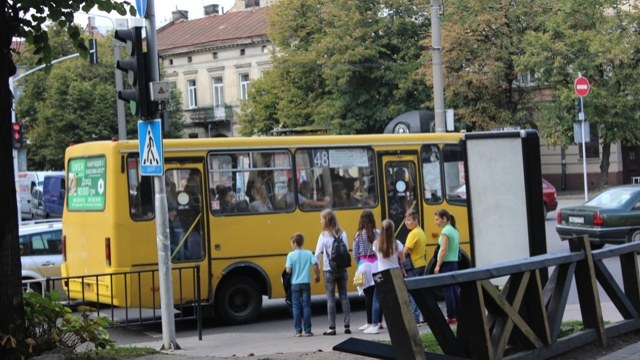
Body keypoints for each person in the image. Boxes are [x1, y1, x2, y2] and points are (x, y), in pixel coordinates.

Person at [314, 209, 351, 335]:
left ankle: (332, 327)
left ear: (326, 220)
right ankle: (347, 326)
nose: (320, 221)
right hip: (342, 269)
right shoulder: (343, 233)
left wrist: (317, 271)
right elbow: (345, 251)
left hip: (329, 270)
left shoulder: (323, 235)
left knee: (331, 299)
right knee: (344, 297)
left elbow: (317, 254)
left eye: (321, 219)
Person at [366, 219, 405, 334]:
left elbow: (378, 257)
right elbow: (402, 258)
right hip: (395, 273)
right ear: (392, 229)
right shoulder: (397, 243)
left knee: (377, 299)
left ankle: (374, 325)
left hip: (381, 273)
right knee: (396, 299)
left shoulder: (376, 244)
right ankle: (398, 323)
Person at [286, 233, 321, 337]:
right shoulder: (308, 253)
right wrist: (317, 275)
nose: (291, 245)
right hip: (306, 283)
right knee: (306, 307)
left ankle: (298, 331)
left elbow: (288, 270)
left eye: (291, 243)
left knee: (296, 307)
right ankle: (308, 330)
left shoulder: (291, 255)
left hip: (295, 284)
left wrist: (289, 270)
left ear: (295, 243)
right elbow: (315, 265)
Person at [352, 210, 379, 332]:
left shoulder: (358, 235)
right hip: (377, 265)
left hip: (364, 265)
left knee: (368, 295)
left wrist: (360, 263)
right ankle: (377, 321)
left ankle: (369, 322)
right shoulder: (377, 233)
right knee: (378, 295)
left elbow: (355, 253)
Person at [434, 209, 460, 325]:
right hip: (454, 263)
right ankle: (457, 315)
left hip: (446, 264)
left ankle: (451, 317)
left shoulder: (445, 231)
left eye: (437, 219)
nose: (436, 222)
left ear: (444, 219)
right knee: (454, 290)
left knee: (448, 291)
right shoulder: (455, 230)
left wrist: (438, 265)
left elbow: (443, 249)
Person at [403, 208, 427, 325]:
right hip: (421, 264)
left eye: (409, 220)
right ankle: (424, 317)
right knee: (420, 293)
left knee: (413, 294)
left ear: (415, 220)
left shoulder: (413, 234)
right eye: (406, 220)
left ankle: (415, 318)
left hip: (414, 266)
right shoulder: (420, 231)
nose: (406, 222)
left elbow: (405, 251)